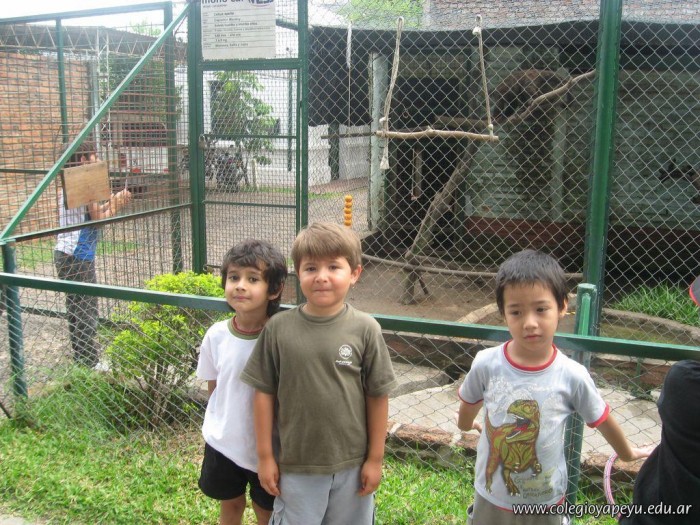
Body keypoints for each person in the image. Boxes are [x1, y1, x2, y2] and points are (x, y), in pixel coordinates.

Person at [457, 249, 650, 525]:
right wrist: (467, 425)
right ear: (503, 314)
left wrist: (628, 453)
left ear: (562, 306)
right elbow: (468, 405)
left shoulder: (572, 375)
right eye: (516, 312)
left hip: (545, 500)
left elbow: (602, 419)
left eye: (541, 309)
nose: (529, 323)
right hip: (491, 497)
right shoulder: (486, 363)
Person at [241, 221, 397, 525]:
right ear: (298, 273)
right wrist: (265, 456)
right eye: (311, 268)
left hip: (352, 466)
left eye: (333, 267)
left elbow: (378, 396)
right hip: (296, 465)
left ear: (355, 274)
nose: (321, 277)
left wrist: (375, 459)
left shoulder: (366, 329)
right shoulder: (278, 329)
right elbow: (263, 395)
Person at [196, 239, 288, 525]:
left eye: (253, 279)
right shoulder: (216, 335)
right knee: (231, 504)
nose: (240, 286)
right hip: (223, 442)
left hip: (269, 448)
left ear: (274, 289)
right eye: (234, 277)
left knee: (266, 510)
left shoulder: (280, 339)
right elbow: (215, 388)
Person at [54, 142, 132, 367]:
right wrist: (116, 205)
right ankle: (90, 362)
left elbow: (91, 215)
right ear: (83, 160)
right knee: (86, 309)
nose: (98, 161)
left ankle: (81, 358)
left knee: (75, 307)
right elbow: (97, 220)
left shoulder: (67, 186)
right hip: (79, 256)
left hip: (63, 253)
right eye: (94, 156)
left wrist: (113, 202)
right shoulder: (86, 185)